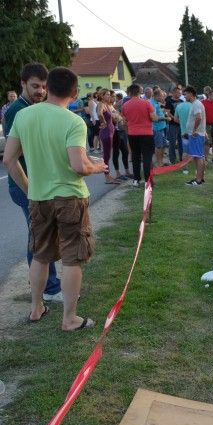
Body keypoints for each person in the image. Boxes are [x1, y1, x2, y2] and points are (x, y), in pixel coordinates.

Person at [4, 66, 107, 330]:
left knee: (40, 255)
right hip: (70, 197)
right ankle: (69, 318)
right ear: (74, 93)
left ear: (48, 87)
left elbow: (9, 159)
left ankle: (36, 308)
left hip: (39, 197)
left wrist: (29, 189)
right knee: (72, 257)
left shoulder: (23, 115)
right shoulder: (73, 121)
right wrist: (97, 167)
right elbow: (78, 166)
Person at [4, 63, 64, 303]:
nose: (41, 91)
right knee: (40, 236)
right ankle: (49, 289)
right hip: (25, 185)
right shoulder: (17, 110)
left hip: (40, 184)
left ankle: (43, 283)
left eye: (44, 87)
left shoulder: (34, 108)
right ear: (23, 84)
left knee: (43, 233)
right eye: (35, 86)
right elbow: (12, 158)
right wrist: (30, 191)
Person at [122, 84, 158, 187]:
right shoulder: (146, 103)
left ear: (130, 92)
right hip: (146, 134)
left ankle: (136, 180)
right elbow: (154, 118)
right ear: (139, 92)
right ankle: (148, 181)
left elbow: (124, 122)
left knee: (135, 157)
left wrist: (128, 131)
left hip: (132, 134)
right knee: (147, 157)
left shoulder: (125, 105)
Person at [183, 86, 207, 186]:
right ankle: (200, 178)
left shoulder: (196, 104)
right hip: (197, 134)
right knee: (199, 156)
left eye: (185, 94)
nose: (184, 96)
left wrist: (194, 130)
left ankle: (198, 180)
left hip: (196, 135)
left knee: (198, 157)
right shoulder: (195, 103)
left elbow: (198, 118)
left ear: (191, 94)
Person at [97, 89, 120, 184]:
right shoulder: (101, 104)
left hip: (110, 131)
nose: (109, 96)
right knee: (106, 156)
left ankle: (108, 175)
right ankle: (107, 177)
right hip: (106, 132)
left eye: (109, 94)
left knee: (108, 155)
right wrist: (103, 122)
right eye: (107, 94)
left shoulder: (106, 104)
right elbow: (99, 114)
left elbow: (114, 116)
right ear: (102, 96)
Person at [111, 93, 131, 180]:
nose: (114, 98)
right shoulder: (108, 107)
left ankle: (127, 171)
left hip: (122, 130)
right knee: (116, 152)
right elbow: (116, 119)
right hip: (115, 132)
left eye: (114, 97)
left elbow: (121, 118)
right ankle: (117, 173)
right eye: (112, 96)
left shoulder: (114, 107)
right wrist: (119, 117)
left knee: (125, 151)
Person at [165, 86, 184, 164]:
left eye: (180, 93)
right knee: (172, 142)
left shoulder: (182, 101)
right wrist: (175, 118)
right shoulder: (169, 101)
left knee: (181, 142)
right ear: (174, 93)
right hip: (173, 125)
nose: (180, 94)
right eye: (178, 93)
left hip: (181, 125)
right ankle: (172, 160)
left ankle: (182, 158)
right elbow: (167, 113)